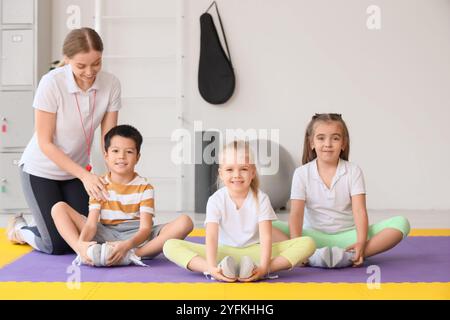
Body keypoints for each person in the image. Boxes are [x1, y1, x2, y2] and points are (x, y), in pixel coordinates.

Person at [6, 28, 122, 254]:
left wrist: (115, 174)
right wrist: (86, 175)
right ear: (67, 59)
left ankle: (41, 223)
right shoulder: (51, 83)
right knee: (56, 245)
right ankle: (20, 229)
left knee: (87, 234)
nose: (90, 72)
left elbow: (109, 139)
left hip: (74, 174)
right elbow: (45, 142)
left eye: (96, 63)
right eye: (81, 66)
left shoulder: (111, 84)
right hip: (40, 171)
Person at [163, 141, 315, 282]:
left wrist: (263, 266)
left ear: (252, 172)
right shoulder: (216, 200)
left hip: (255, 252)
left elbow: (266, 237)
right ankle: (218, 269)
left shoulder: (261, 198)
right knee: (169, 245)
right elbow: (211, 236)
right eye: (230, 169)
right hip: (221, 253)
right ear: (221, 173)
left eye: (243, 169)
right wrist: (210, 266)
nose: (236, 175)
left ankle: (255, 268)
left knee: (307, 243)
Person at [273, 113, 410, 268]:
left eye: (335, 138)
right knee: (261, 224)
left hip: (348, 237)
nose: (328, 144)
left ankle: (351, 253)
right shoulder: (302, 173)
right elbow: (296, 214)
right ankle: (312, 254)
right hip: (310, 237)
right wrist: (297, 245)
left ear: (343, 144)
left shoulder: (353, 171)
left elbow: (360, 211)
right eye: (321, 138)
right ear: (311, 143)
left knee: (402, 223)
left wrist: (360, 241)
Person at [51, 124, 194, 266]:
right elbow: (91, 224)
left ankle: (134, 255)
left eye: (129, 152)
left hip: (137, 237)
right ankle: (82, 251)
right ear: (106, 156)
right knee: (58, 208)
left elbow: (145, 229)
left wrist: (127, 246)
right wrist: (82, 243)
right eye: (115, 151)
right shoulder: (99, 184)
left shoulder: (145, 188)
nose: (121, 156)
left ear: (137, 157)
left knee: (185, 222)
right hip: (106, 233)